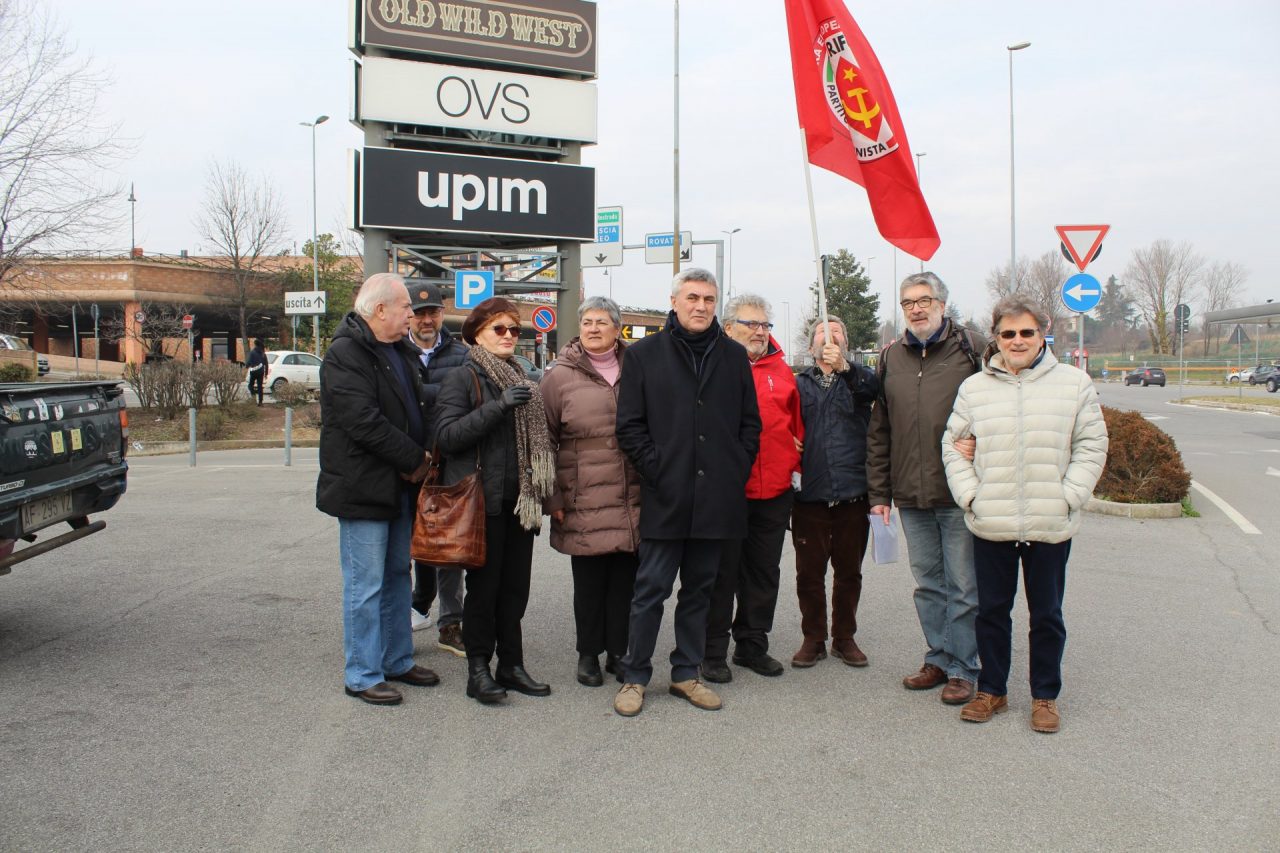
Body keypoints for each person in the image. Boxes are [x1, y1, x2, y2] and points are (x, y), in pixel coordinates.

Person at [942, 296, 1107, 733]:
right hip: (992, 520)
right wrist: (971, 496)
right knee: (991, 612)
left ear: (1042, 334)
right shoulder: (975, 388)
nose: (1017, 341)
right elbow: (953, 446)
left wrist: (1069, 496)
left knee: (1047, 615)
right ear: (995, 337)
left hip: (1049, 523)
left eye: (1026, 332)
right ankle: (992, 689)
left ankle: (1045, 697)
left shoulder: (1074, 383)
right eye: (1008, 333)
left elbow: (1092, 445)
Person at [613, 268, 761, 717]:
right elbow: (630, 426)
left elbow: (749, 425)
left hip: (717, 498)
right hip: (667, 494)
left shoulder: (734, 356)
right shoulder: (644, 354)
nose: (701, 306)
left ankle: (685, 673)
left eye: (709, 299)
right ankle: (635, 676)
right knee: (650, 591)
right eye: (692, 297)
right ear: (674, 301)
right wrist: (658, 469)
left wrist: (734, 467)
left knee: (700, 591)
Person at [316, 273, 439, 706]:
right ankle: (363, 673)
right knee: (365, 585)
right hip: (364, 488)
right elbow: (364, 423)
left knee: (395, 577)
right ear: (380, 309)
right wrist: (415, 461)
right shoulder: (345, 354)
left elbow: (418, 408)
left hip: (399, 488)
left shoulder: (398, 350)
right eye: (406, 306)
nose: (413, 314)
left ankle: (397, 660)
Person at [867, 272, 984, 706]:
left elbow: (1000, 409)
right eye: (908, 302)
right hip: (910, 496)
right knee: (928, 583)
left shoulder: (971, 348)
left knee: (964, 586)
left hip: (958, 493)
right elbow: (879, 431)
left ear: (942, 304)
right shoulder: (891, 357)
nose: (916, 308)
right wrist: (879, 495)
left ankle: (964, 668)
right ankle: (938, 657)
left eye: (924, 300)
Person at [435, 297, 554, 705]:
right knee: (484, 591)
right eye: (498, 329)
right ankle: (478, 669)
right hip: (481, 502)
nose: (508, 336)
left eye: (513, 330)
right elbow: (447, 438)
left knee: (514, 589)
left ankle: (512, 664)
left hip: (520, 503)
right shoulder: (463, 376)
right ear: (477, 334)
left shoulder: (522, 376)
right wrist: (498, 408)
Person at [540, 296, 641, 687]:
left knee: (625, 580)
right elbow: (544, 440)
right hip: (581, 492)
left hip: (631, 492)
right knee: (589, 582)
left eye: (602, 322)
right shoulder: (558, 376)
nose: (594, 328)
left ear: (618, 329)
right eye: (587, 322)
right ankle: (588, 654)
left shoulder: (637, 369)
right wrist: (552, 497)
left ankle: (619, 651)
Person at [702, 293, 802, 683]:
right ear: (728, 328)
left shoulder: (782, 369)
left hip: (774, 488)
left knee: (763, 572)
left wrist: (796, 461)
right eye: (751, 324)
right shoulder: (713, 364)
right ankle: (712, 650)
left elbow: (797, 424)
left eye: (765, 325)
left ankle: (751, 644)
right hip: (727, 490)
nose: (760, 332)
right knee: (720, 573)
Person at [789, 315, 880, 669]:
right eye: (821, 333)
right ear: (811, 346)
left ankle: (845, 637)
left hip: (852, 493)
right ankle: (813, 637)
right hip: (809, 495)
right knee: (808, 574)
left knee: (848, 573)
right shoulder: (798, 384)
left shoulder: (860, 380)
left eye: (837, 331)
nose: (828, 337)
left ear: (845, 342)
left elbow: (872, 392)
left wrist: (845, 369)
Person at [406, 282, 467, 657]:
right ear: (408, 315)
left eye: (433, 312)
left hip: (447, 463)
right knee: (409, 544)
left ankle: (450, 622)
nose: (427, 319)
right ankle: (412, 606)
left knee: (449, 546)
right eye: (419, 312)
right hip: (407, 464)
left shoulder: (460, 354)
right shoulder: (395, 352)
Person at [246, 339, 268, 405]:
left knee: (250, 385)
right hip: (261, 372)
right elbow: (266, 364)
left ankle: (253, 397)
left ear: (255, 345)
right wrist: (266, 373)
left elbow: (249, 361)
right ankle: (260, 402)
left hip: (254, 371)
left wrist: (246, 366)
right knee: (260, 386)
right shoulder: (263, 353)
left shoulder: (252, 352)